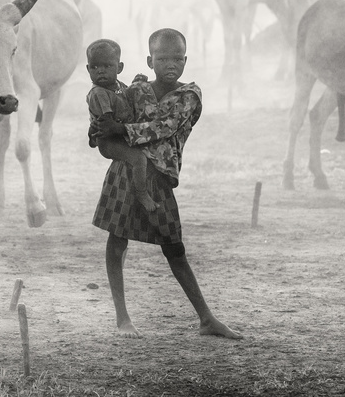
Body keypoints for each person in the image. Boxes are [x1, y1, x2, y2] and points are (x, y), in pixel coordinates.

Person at [92, 27, 242, 340]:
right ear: (150, 60)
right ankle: (122, 318)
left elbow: (164, 127)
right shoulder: (137, 90)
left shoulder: (189, 96)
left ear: (186, 61)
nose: (170, 64)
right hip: (125, 170)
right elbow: (110, 114)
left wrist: (121, 129)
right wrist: (102, 129)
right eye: (162, 58)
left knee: (175, 248)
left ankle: (206, 318)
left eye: (177, 58)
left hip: (159, 177)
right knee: (117, 239)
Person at [85, 39, 159, 214]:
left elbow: (125, 98)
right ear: (88, 69)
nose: (100, 71)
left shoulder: (117, 86)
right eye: (94, 67)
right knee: (139, 158)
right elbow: (109, 123)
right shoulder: (99, 93)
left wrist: (135, 85)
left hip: (120, 134)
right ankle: (142, 194)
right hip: (110, 141)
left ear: (119, 67)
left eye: (107, 66)